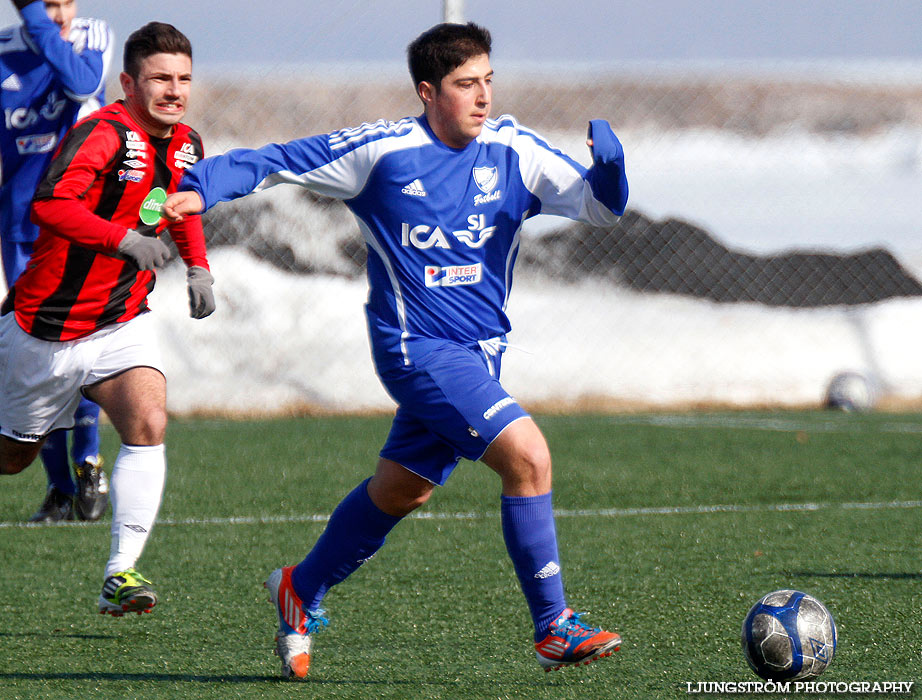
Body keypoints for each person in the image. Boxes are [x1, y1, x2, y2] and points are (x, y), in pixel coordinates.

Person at [165, 22, 627, 677]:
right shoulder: (382, 153)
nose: (483, 96)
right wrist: (205, 183)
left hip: (480, 354)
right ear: (428, 91)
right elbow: (275, 159)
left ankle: (300, 589)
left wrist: (611, 170)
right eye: (466, 84)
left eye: (488, 81)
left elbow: (600, 208)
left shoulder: (513, 151)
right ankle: (554, 627)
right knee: (528, 457)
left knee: (401, 490)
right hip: (417, 350)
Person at [0, 21, 215, 616]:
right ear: (128, 81)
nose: (173, 90)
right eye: (159, 78)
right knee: (11, 459)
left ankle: (119, 574)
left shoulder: (187, 142)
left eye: (183, 79)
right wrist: (122, 240)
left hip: (122, 319)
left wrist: (198, 268)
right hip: (48, 329)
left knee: (148, 418)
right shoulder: (101, 134)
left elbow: (180, 206)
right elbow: (50, 203)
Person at [0, 0, 114, 522]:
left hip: (76, 220)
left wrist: (37, 20)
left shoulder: (92, 36)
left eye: (65, 0)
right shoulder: (4, 50)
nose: (60, 11)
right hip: (19, 226)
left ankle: (89, 461)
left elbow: (81, 84)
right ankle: (61, 488)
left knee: (78, 340)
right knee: (31, 357)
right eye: (46, 2)